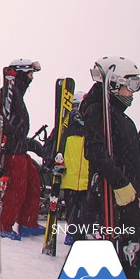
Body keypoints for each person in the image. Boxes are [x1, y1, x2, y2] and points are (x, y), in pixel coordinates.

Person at [81, 56, 140, 279]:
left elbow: (129, 157)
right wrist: (121, 184)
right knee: (121, 258)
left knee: (132, 256)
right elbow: (96, 151)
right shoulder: (99, 111)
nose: (133, 93)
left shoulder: (117, 115)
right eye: (131, 85)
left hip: (128, 199)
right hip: (112, 199)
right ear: (114, 84)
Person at [0, 58, 44, 240]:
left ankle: (27, 223)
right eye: (30, 74)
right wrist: (12, 135)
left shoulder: (17, 93)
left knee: (34, 185)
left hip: (21, 148)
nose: (32, 78)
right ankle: (5, 225)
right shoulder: (8, 92)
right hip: (12, 150)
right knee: (17, 188)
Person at [42, 90, 89, 246]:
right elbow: (50, 145)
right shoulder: (64, 127)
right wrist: (50, 162)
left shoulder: (88, 126)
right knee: (75, 207)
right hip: (72, 175)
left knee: (82, 208)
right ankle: (73, 233)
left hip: (83, 176)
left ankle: (78, 233)